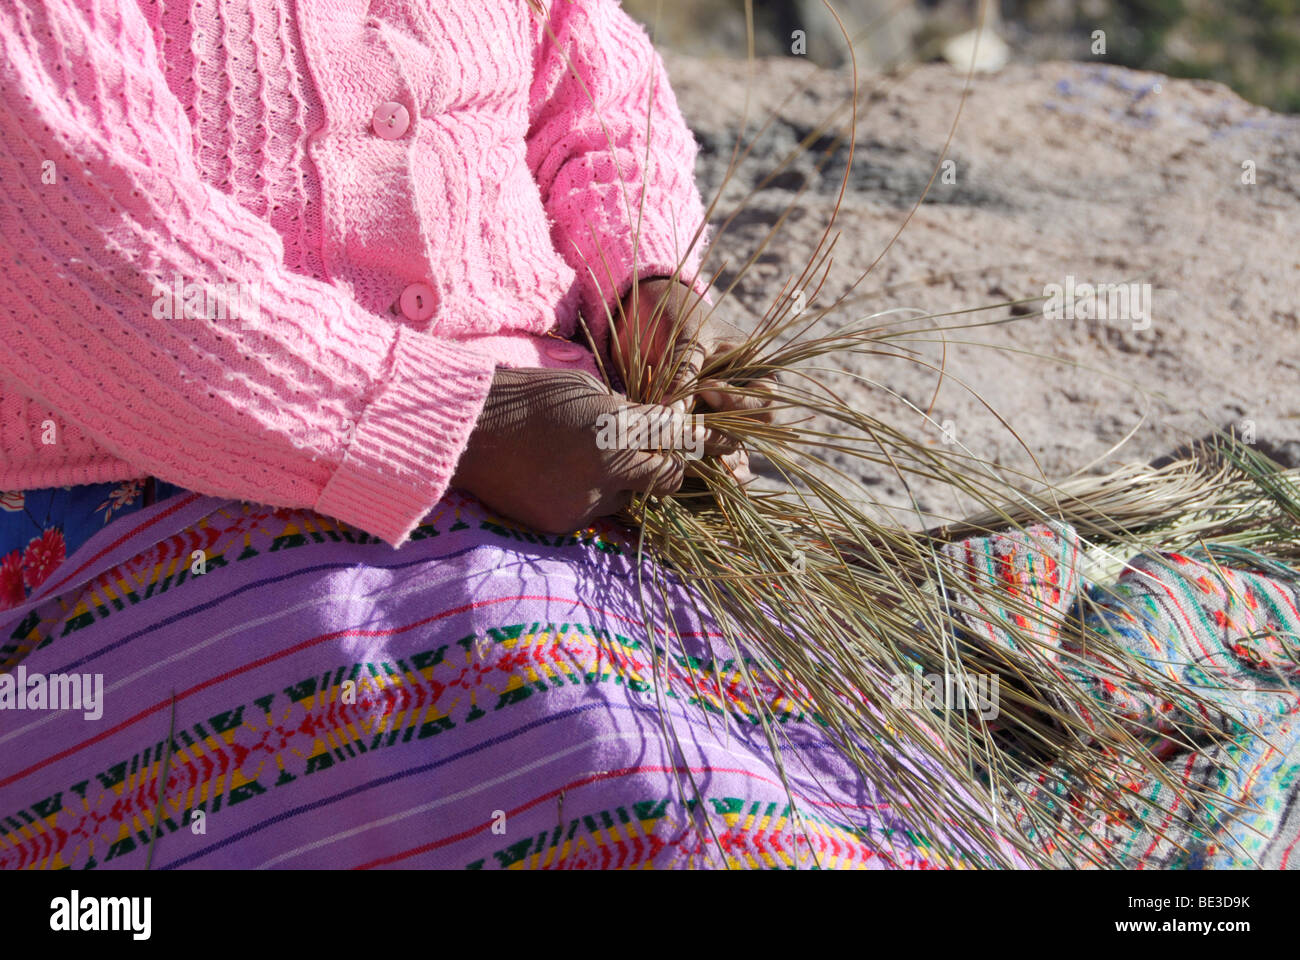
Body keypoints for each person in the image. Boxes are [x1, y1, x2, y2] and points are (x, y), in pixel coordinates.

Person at [0, 0, 961, 871]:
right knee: (625, 785)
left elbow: (590, 83)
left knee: (851, 761)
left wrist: (639, 282)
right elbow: (87, 257)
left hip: (546, 457)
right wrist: (462, 424)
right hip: (172, 487)